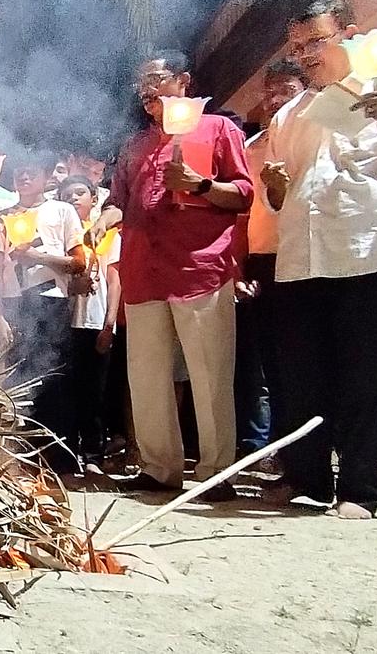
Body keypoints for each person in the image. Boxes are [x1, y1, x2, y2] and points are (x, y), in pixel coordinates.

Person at [261, 0, 377, 518]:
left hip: (372, 251)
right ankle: (308, 480)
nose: (307, 55)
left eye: (317, 41)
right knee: (301, 374)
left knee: (366, 372)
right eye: (298, 46)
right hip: (301, 256)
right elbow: (281, 194)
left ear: (351, 33)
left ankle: (360, 489)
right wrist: (274, 187)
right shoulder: (290, 113)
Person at [90, 50, 253, 500]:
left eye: (156, 79)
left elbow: (242, 195)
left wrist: (201, 186)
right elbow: (120, 199)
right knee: (146, 375)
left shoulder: (220, 129)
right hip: (145, 270)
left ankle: (217, 472)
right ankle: (160, 468)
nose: (147, 91)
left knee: (209, 374)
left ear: (183, 80)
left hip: (200, 266)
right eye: (141, 84)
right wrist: (107, 216)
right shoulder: (135, 145)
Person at [233, 58, 307, 457]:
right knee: (262, 366)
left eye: (286, 88)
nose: (275, 97)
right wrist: (238, 268)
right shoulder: (248, 148)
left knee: (301, 360)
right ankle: (267, 448)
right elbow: (240, 215)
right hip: (260, 260)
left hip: (303, 257)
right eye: (270, 89)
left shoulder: (313, 134)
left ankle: (308, 453)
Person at [2, 153, 86, 476]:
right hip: (14, 302)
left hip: (50, 299)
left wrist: (37, 256)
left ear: (47, 175)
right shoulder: (4, 216)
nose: (24, 176)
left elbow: (78, 262)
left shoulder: (61, 211)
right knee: (21, 378)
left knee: (55, 378)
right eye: (19, 171)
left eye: (32, 171)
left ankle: (59, 459)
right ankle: (23, 454)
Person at [62, 174, 121, 484]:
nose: (74, 199)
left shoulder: (108, 235)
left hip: (96, 320)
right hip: (65, 321)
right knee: (68, 390)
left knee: (95, 393)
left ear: (94, 199)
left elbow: (113, 279)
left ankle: (95, 456)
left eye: (80, 192)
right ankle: (69, 454)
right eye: (67, 194)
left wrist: (109, 323)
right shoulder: (61, 232)